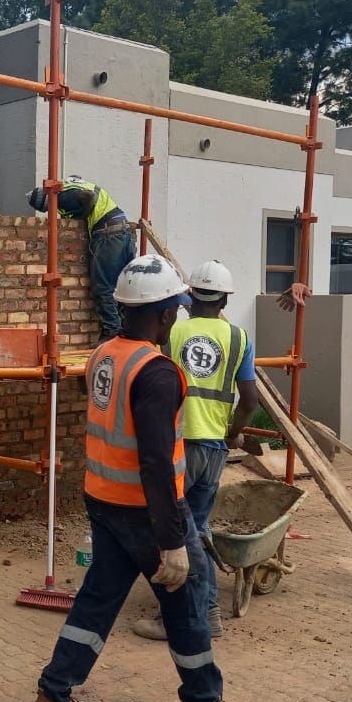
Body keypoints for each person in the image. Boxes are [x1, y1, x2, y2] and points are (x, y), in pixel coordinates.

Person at [30, 254, 264, 702]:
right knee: (189, 598)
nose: (176, 316)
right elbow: (156, 462)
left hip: (103, 500)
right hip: (144, 509)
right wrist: (174, 540)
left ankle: (55, 692)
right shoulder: (156, 372)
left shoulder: (103, 355)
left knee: (99, 597)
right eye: (173, 309)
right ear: (161, 314)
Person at [132, 260, 259, 642]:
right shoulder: (239, 337)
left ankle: (186, 614)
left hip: (176, 444)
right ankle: (206, 611)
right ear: (224, 298)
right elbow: (250, 399)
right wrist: (233, 432)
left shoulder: (171, 331)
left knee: (171, 529)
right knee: (197, 528)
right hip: (214, 447)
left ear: (190, 296)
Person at [28, 176, 136, 343]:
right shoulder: (69, 185)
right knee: (121, 286)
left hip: (108, 234)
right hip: (122, 231)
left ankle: (112, 331)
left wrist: (80, 220)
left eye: (46, 207)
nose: (50, 209)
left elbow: (87, 198)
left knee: (103, 287)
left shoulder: (60, 195)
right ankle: (127, 329)